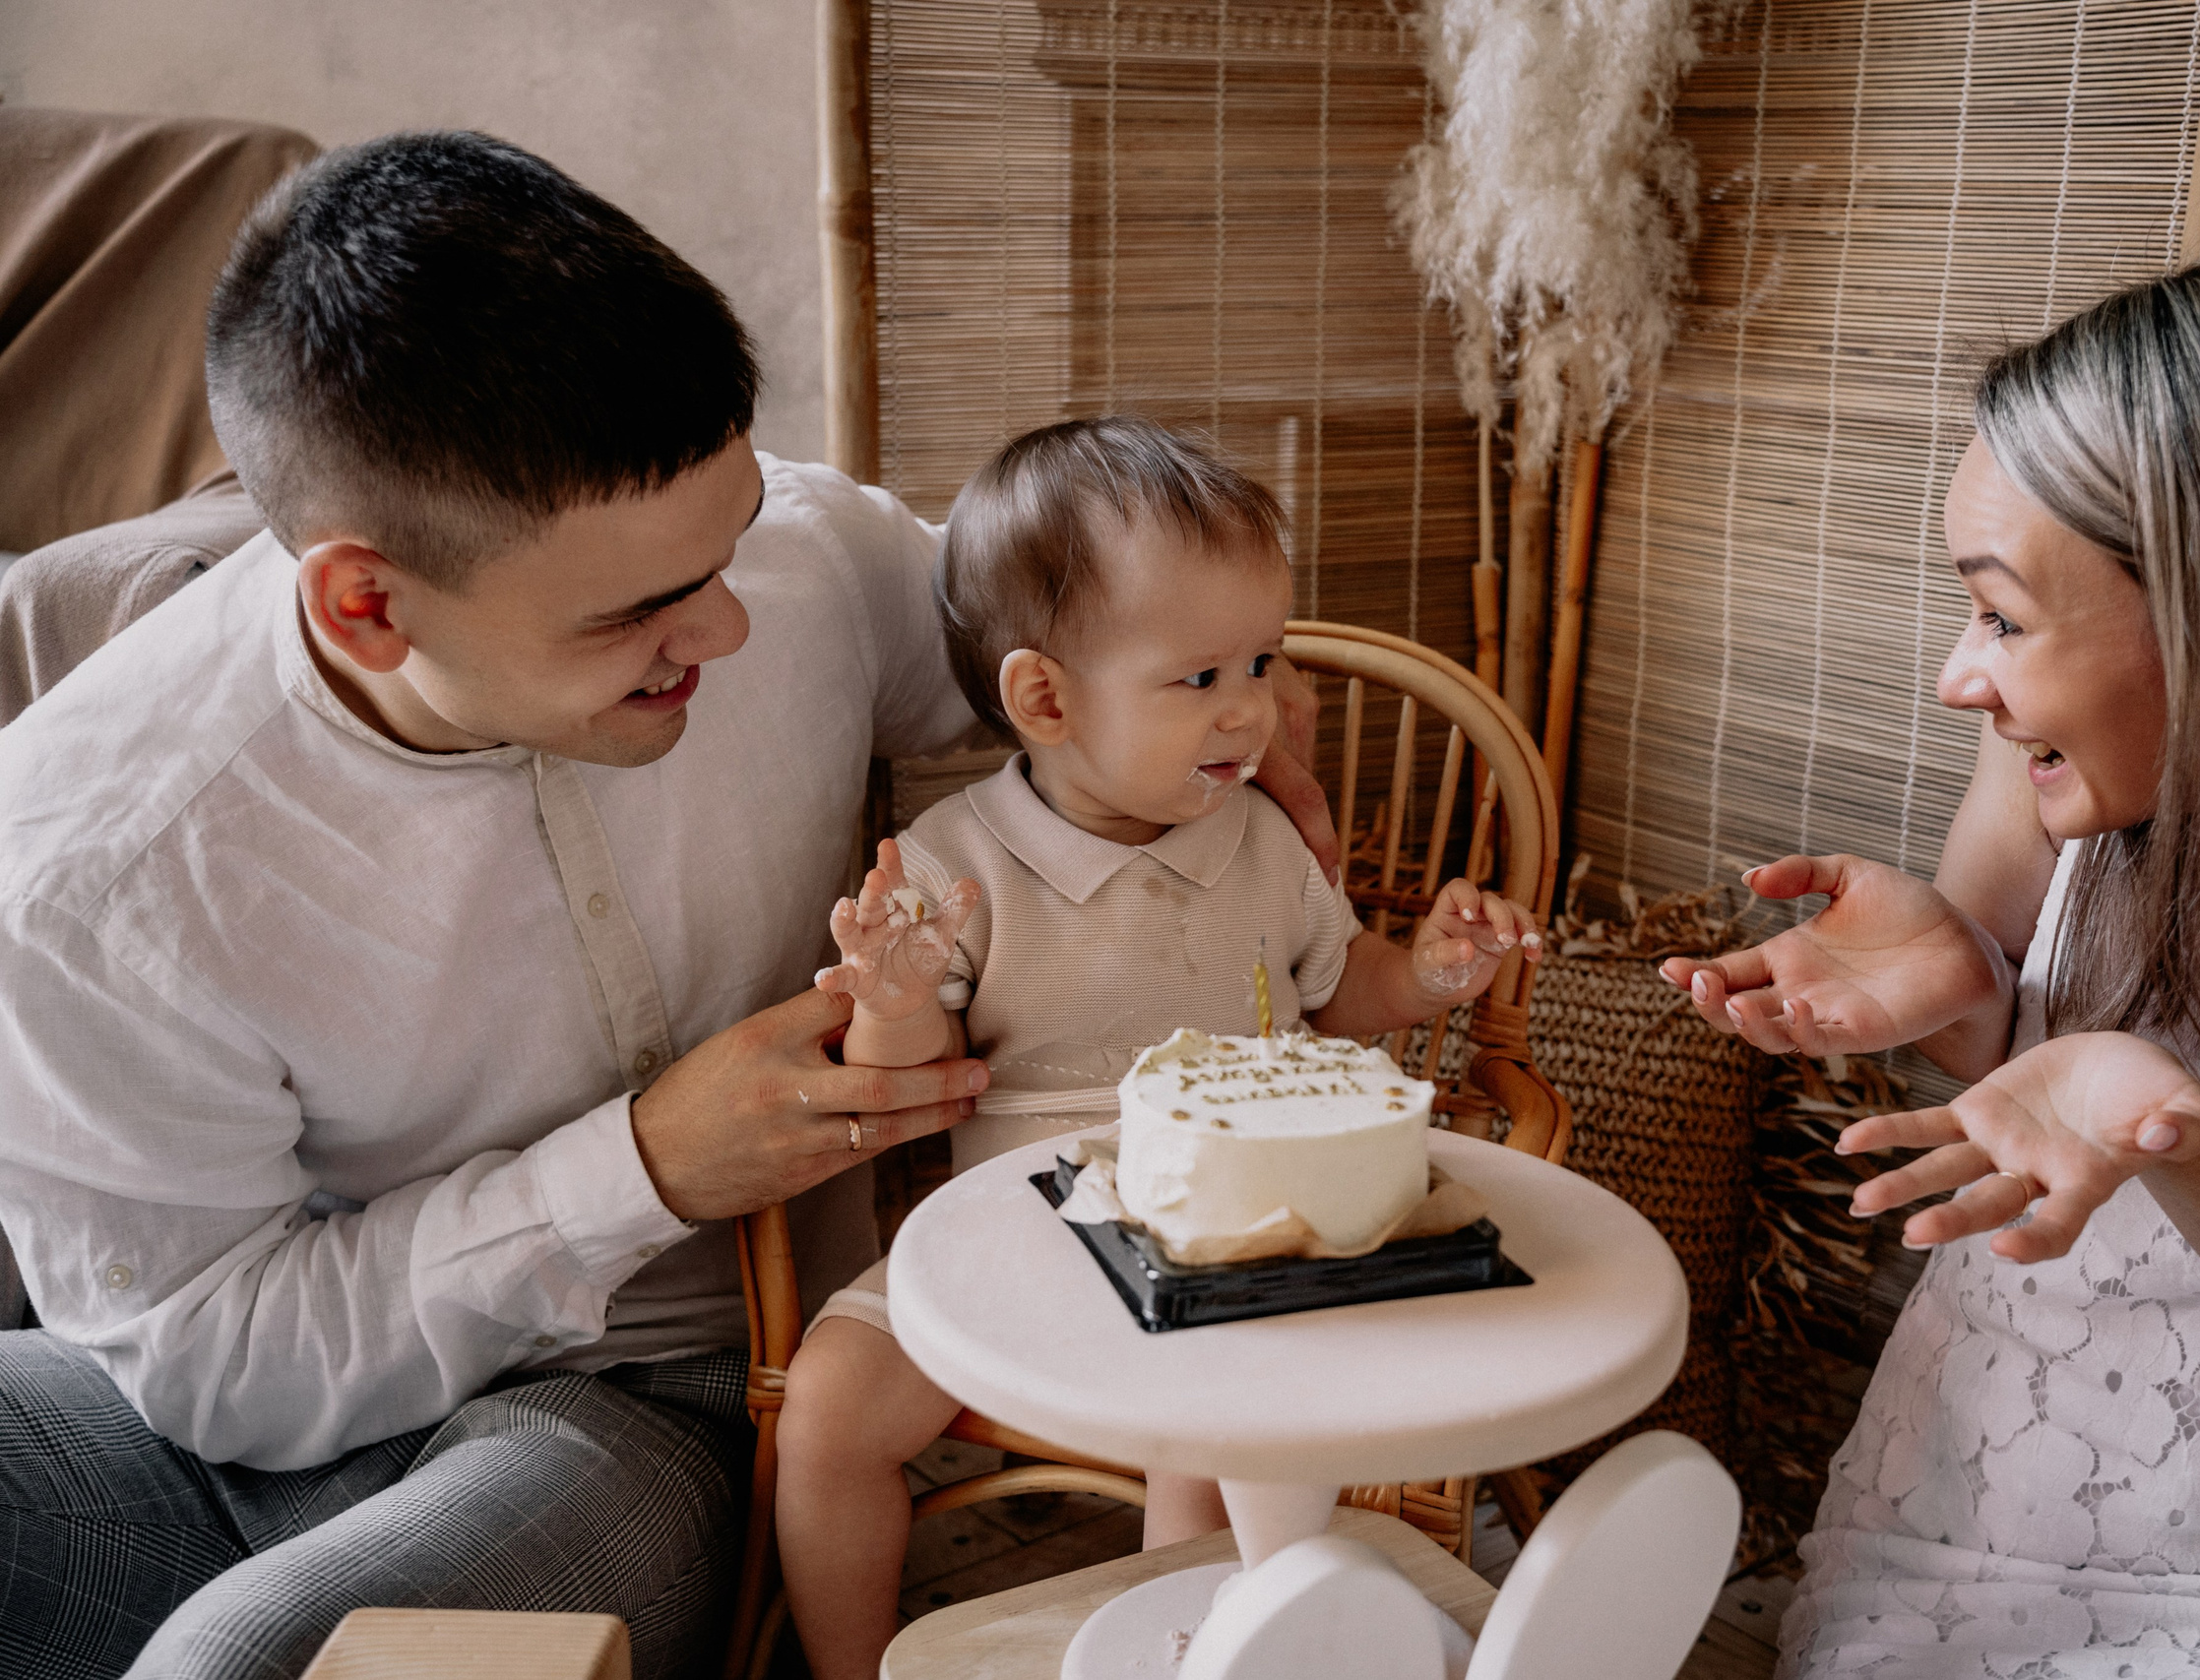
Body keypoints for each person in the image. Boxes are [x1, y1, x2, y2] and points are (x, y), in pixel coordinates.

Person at [0, 134, 1333, 1679]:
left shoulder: (808, 566)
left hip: (645, 1390)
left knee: (241, 1663)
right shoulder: (87, 869)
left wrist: (1241, 716)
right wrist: (640, 1165)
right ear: (367, 602)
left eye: (731, 532)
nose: (726, 619)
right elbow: (209, 1362)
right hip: (218, 1429)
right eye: (635, 609)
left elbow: (1096, 651)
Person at [1664, 259, 2200, 1676]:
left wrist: (2186, 1144)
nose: (1960, 676)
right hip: (1980, 1518)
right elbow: (2030, 1087)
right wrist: (1958, 984)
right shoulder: (2047, 771)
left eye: (2002, 616)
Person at [772, 416, 1542, 1679]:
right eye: (1201, 680)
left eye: (1261, 659)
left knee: (1216, 1434)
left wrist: (1428, 974)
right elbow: (907, 1071)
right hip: (1006, 1230)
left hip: (1223, 1243)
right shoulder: (959, 862)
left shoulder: (1264, 845)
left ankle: (1191, 1650)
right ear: (1045, 698)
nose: (1254, 713)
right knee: (829, 1408)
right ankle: (851, 1669)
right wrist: (895, 993)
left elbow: (1337, 991)